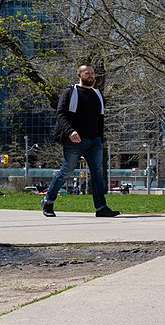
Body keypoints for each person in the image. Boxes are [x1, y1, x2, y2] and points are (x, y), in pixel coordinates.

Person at [42, 63, 120, 218]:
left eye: (92, 73)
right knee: (67, 171)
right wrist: (70, 131)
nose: (90, 75)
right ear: (79, 74)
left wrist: (99, 138)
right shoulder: (70, 92)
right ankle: (48, 201)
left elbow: (100, 119)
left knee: (98, 173)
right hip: (74, 141)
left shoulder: (98, 94)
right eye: (86, 73)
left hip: (94, 141)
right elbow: (61, 114)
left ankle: (101, 208)